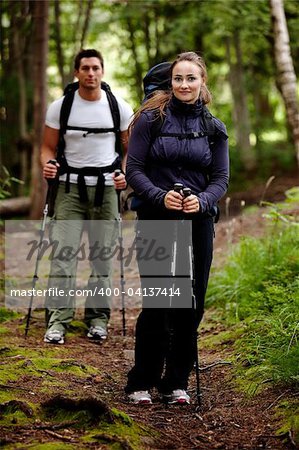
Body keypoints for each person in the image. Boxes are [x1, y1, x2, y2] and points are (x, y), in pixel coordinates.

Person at [125, 51, 229, 404]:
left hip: (199, 220)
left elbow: (221, 177)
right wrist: (159, 196)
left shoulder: (215, 127)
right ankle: (141, 381)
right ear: (170, 83)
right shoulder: (150, 119)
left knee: (193, 300)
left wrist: (202, 200)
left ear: (202, 82)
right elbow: (135, 169)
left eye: (191, 78)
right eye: (178, 79)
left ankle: (177, 381)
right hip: (156, 217)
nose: (184, 85)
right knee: (159, 299)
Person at [41, 49, 133, 345]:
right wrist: (48, 164)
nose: (90, 73)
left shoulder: (119, 107)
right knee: (63, 256)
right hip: (68, 190)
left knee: (102, 257)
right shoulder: (61, 107)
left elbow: (130, 152)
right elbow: (46, 147)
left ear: (102, 71)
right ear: (76, 73)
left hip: (106, 190)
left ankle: (97, 319)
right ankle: (57, 321)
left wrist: (124, 174)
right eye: (85, 68)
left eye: (95, 68)